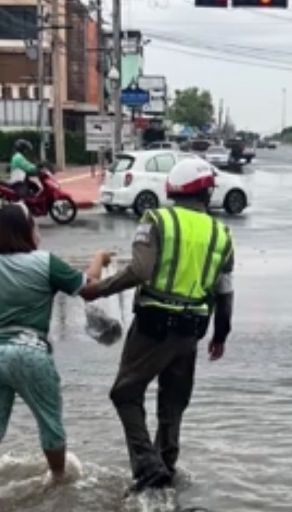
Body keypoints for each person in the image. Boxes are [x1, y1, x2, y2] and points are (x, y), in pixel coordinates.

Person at [80, 157, 235, 493]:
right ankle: (167, 470)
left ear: (173, 191)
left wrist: (98, 289)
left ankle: (148, 466)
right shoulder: (221, 233)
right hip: (192, 330)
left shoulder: (156, 219)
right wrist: (221, 334)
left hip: (154, 325)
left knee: (125, 393)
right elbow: (225, 291)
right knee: (173, 403)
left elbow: (139, 271)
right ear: (206, 194)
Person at [0, 203, 114, 512]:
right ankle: (59, 480)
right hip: (28, 351)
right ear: (26, 232)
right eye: (35, 226)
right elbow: (89, 290)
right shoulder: (44, 263)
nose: (38, 232)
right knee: (49, 423)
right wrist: (99, 259)